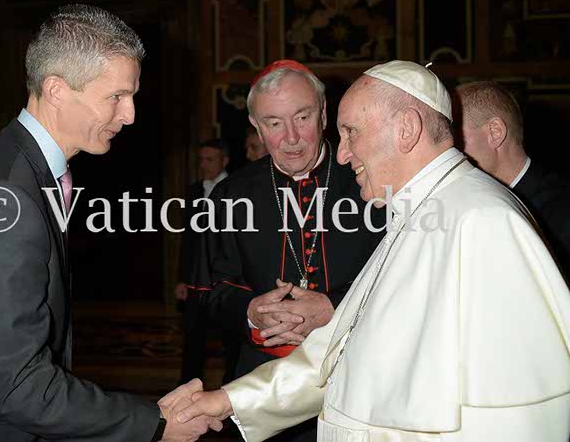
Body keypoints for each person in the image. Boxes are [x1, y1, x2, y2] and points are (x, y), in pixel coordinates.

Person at [177, 61, 570, 442]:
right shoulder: (414, 210)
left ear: (406, 129)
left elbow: (520, 410)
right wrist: (228, 401)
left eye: (351, 132)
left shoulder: (482, 220)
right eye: (274, 123)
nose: (342, 153)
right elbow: (340, 351)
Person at [0, 5, 220, 442]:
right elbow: (21, 386)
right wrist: (154, 422)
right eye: (116, 96)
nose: (130, 114)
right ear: (56, 90)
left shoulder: (19, 167)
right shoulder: (6, 197)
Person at [193, 60, 384, 442]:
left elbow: (407, 275)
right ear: (256, 126)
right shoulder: (231, 194)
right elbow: (209, 291)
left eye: (302, 117)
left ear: (324, 114)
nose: (291, 138)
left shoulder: (372, 182)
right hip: (262, 386)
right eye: (274, 123)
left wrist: (333, 306)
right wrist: (251, 311)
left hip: (360, 378)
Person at [454, 80, 570, 276]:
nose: (448, 151)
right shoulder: (466, 200)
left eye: (456, 137)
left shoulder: (561, 210)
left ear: (495, 132)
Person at [175, 139, 230, 382]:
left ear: (224, 161)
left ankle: (231, 394)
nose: (204, 165)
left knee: (231, 340)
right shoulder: (194, 191)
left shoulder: (237, 187)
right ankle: (187, 389)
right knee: (192, 338)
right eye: (201, 160)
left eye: (210, 159)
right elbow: (188, 240)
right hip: (197, 279)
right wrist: (182, 279)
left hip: (226, 280)